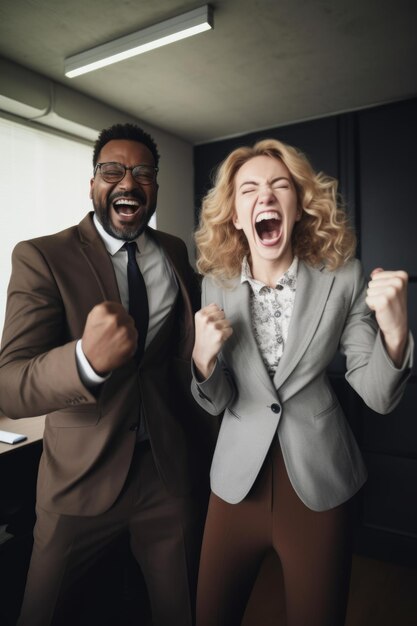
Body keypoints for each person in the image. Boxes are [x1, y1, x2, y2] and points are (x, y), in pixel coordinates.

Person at [190, 138, 414, 626]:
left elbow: (377, 394)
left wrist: (395, 331)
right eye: (249, 189)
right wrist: (203, 362)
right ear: (234, 214)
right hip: (234, 484)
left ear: (298, 204)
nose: (264, 197)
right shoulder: (215, 284)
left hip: (318, 484)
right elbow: (217, 400)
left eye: (279, 186)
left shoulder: (345, 277)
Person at [0, 123, 215, 626]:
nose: (128, 182)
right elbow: (8, 384)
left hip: (167, 475)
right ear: (93, 183)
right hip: (78, 483)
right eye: (112, 170)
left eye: (143, 172)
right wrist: (84, 361)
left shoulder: (176, 252)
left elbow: (175, 358)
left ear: (155, 188)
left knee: (182, 612)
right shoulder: (42, 256)